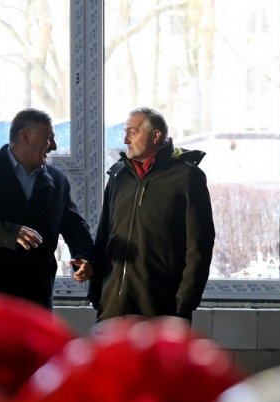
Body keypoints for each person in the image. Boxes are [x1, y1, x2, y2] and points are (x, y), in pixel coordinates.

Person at [0, 108, 94, 310]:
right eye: (49, 138)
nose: (54, 146)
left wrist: (84, 255)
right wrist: (10, 233)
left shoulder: (58, 180)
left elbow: (74, 224)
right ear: (25, 136)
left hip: (36, 294)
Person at [89, 107, 214, 321]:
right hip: (113, 305)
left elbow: (200, 243)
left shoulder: (187, 177)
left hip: (162, 306)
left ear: (156, 135)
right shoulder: (118, 175)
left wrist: (186, 298)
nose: (125, 140)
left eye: (132, 132)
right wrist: (96, 290)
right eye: (124, 132)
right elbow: (103, 236)